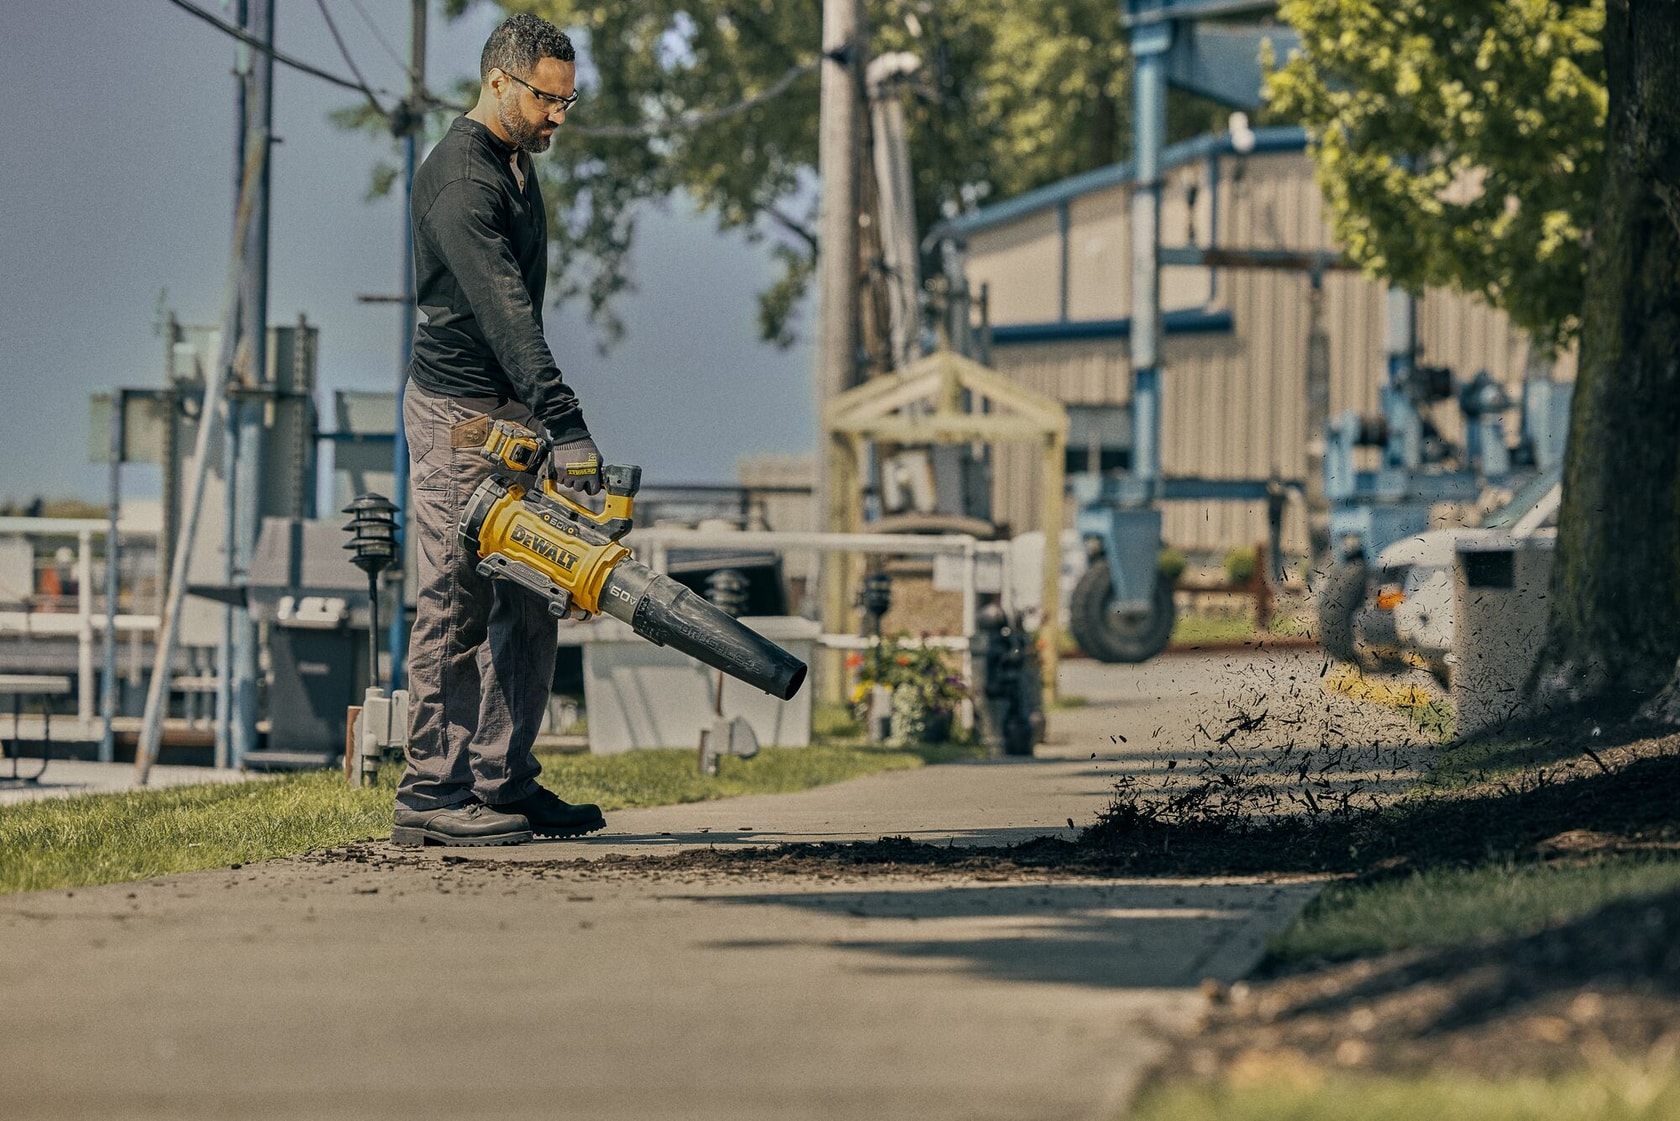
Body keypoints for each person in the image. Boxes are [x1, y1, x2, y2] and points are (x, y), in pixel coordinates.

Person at [391, 13, 606, 847]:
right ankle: (430, 791)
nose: (558, 117)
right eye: (546, 100)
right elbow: (509, 314)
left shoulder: (515, 159)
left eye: (567, 101)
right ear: (497, 82)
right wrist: (569, 423)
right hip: (459, 418)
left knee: (532, 593)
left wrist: (540, 417)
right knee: (458, 599)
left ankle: (502, 780)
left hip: (509, 414)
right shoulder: (461, 182)